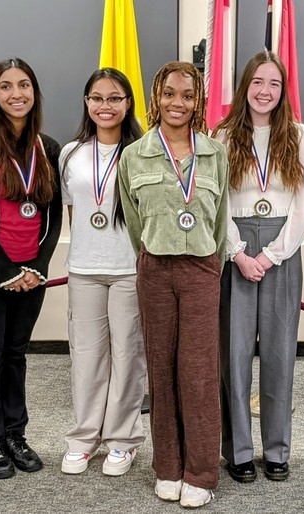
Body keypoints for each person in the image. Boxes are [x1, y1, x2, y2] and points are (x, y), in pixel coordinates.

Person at [118, 61, 228, 508]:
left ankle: (200, 472)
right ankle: (167, 466)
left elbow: (219, 222)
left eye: (187, 95)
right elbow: (134, 222)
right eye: (169, 94)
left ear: (198, 101)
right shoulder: (134, 155)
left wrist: (210, 265)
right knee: (161, 371)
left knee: (199, 373)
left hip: (201, 270)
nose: (177, 103)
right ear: (155, 98)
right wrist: (151, 257)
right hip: (155, 270)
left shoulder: (215, 153)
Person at [213, 51, 304, 483]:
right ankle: (237, 450)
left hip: (281, 250)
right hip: (235, 248)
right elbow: (215, 200)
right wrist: (237, 252)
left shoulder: (298, 134)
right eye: (258, 82)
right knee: (233, 356)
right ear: (245, 86)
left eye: (274, 83)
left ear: (283, 90)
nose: (265, 91)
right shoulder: (222, 134)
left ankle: (276, 449)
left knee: (279, 356)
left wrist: (273, 253)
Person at [0, 57, 62, 479]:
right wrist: (5, 268)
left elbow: (54, 217)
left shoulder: (48, 148)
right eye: (6, 86)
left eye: (24, 85)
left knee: (17, 353)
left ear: (34, 92)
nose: (16, 94)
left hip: (31, 271)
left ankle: (15, 434)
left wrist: (37, 266)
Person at [59, 68, 145, 476]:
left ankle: (122, 440)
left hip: (129, 268)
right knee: (87, 356)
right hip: (84, 269)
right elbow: (74, 212)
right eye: (97, 98)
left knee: (127, 355)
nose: (104, 106)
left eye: (114, 98)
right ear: (87, 102)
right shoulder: (70, 153)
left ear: (128, 103)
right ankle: (83, 438)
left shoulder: (142, 151)